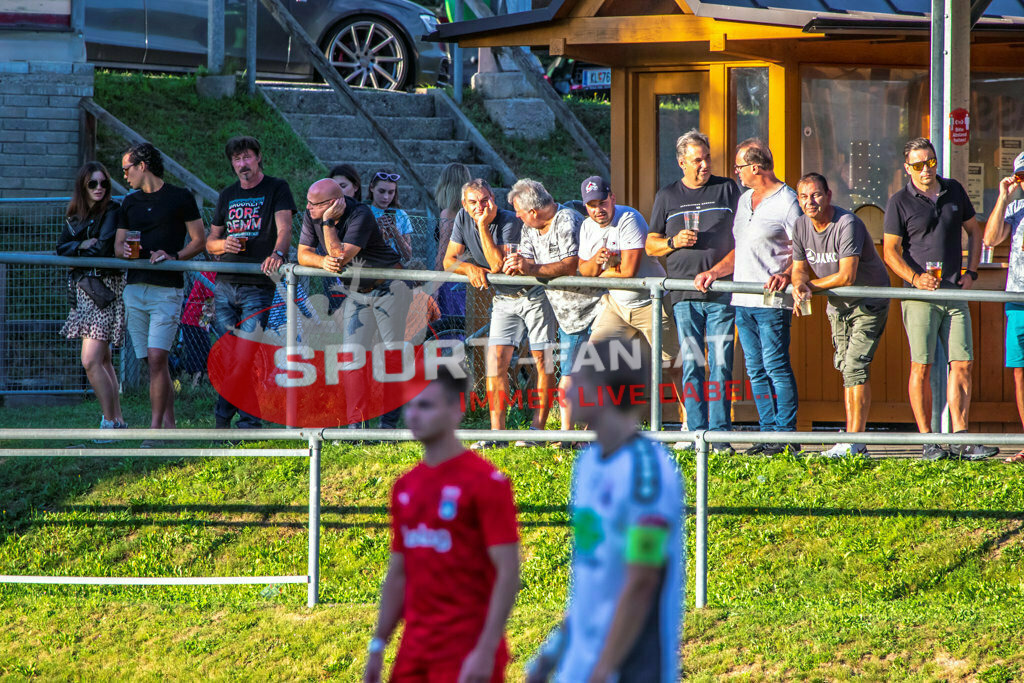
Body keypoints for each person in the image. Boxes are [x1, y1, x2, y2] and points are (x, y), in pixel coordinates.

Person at [526, 339, 684, 683]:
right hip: (579, 664)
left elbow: (644, 576)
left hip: (631, 667)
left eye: (577, 382)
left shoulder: (648, 472)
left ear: (604, 393)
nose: (565, 392)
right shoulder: (587, 463)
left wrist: (604, 668)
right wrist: (553, 651)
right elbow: (592, 576)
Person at [363, 366, 521, 683]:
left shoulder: (486, 483)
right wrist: (378, 645)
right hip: (415, 648)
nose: (414, 415)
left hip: (468, 648)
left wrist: (487, 649)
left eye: (426, 405)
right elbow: (398, 572)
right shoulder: (405, 486)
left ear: (456, 409)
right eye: (410, 406)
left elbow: (508, 572)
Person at [882, 137, 998, 461]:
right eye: (918, 164)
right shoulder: (899, 202)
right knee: (921, 366)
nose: (925, 170)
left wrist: (971, 273)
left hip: (953, 292)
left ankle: (961, 439)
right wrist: (915, 278)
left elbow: (975, 231)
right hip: (918, 296)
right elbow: (889, 251)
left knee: (963, 363)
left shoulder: (954, 190)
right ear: (907, 168)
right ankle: (929, 441)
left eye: (930, 162)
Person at [697, 139, 802, 455]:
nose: (736, 172)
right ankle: (768, 434)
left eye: (739, 167)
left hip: (771, 302)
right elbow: (741, 249)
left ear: (756, 167)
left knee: (775, 366)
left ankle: (786, 438)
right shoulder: (744, 201)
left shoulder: (788, 202)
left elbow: (802, 250)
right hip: (742, 299)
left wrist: (786, 273)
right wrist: (715, 272)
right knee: (756, 369)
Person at [443, 178, 558, 449]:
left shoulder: (508, 221)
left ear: (493, 198)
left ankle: (537, 432)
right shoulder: (462, 217)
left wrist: (482, 226)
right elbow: (449, 260)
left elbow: (497, 265)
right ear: (464, 204)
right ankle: (499, 434)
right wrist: (469, 268)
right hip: (504, 299)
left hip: (534, 294)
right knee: (496, 363)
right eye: (473, 203)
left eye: (485, 201)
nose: (480, 207)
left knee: (543, 361)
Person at [576, 176, 688, 445]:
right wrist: (596, 261)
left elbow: (629, 271)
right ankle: (594, 431)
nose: (598, 209)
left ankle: (690, 425)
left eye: (602, 202)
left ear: (612, 198)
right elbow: (583, 270)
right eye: (591, 205)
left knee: (674, 365)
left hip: (651, 301)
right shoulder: (587, 227)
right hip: (616, 304)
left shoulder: (629, 218)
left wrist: (600, 275)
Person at [647, 129, 740, 451]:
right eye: (697, 160)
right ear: (681, 162)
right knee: (691, 363)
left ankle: (720, 435)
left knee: (721, 362)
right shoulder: (667, 196)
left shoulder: (727, 188)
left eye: (707, 158)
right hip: (683, 295)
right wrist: (673, 242)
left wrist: (717, 271)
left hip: (721, 292)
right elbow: (650, 245)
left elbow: (744, 238)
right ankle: (695, 432)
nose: (704, 165)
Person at [791, 173, 890, 458]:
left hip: (868, 301)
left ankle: (854, 441)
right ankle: (852, 438)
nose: (810, 202)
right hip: (837, 305)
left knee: (855, 366)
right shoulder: (800, 226)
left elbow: (847, 276)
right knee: (846, 368)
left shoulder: (847, 223)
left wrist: (808, 287)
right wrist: (799, 283)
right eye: (804, 197)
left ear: (829, 195)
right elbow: (799, 267)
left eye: (816, 195)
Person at [114, 142, 206, 444]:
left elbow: (199, 240)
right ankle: (170, 424)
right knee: (151, 361)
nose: (124, 175)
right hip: (134, 288)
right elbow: (118, 245)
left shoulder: (180, 197)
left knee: (157, 358)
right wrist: (125, 251)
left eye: (127, 168)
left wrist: (175, 257)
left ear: (143, 165)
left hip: (167, 290)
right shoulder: (128, 202)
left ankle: (154, 432)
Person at [297, 178, 405, 428]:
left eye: (315, 204)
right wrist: (321, 262)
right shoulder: (311, 212)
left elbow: (339, 256)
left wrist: (326, 224)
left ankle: (388, 426)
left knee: (391, 357)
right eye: (308, 203)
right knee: (352, 358)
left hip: (388, 288)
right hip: (356, 293)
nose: (309, 209)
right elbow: (303, 254)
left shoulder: (361, 214)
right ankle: (357, 425)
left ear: (334, 204)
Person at [205, 136, 297, 430]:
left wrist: (277, 254)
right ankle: (250, 419)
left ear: (258, 157)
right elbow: (211, 242)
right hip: (225, 284)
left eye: (246, 157)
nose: (242, 164)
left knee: (244, 356)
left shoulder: (276, 187)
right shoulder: (227, 194)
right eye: (236, 159)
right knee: (232, 357)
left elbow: (285, 230)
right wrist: (224, 245)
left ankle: (222, 415)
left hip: (258, 284)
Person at [503, 178, 603, 442]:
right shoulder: (529, 228)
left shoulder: (567, 219)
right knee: (569, 374)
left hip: (595, 308)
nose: (517, 216)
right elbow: (527, 261)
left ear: (534, 212)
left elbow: (571, 265)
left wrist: (531, 269)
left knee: (595, 373)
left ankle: (592, 433)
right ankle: (568, 436)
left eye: (520, 212)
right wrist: (515, 265)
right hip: (567, 315)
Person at [57, 161, 126, 436]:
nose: (99, 188)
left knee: (91, 360)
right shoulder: (74, 215)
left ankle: (109, 422)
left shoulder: (112, 210)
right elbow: (61, 248)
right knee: (104, 360)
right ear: (83, 186)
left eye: (104, 183)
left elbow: (104, 247)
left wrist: (78, 255)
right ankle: (117, 420)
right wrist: (79, 247)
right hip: (82, 292)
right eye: (93, 183)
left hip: (104, 289)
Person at [984, 152, 1024, 463]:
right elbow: (990, 238)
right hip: (1017, 299)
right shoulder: (1015, 207)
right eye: (1021, 176)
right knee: (1020, 372)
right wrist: (1002, 197)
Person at [434, 163, 472, 322]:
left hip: (450, 279)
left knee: (450, 328)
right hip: (469, 277)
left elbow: (443, 252)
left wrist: (434, 286)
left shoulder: (448, 214)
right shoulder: (472, 212)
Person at [368, 169, 414, 264]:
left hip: (395, 267)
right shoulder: (363, 211)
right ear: (371, 188)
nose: (386, 197)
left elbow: (408, 256)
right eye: (381, 191)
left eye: (391, 192)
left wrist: (394, 230)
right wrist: (375, 227)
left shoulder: (401, 214)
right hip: (369, 265)